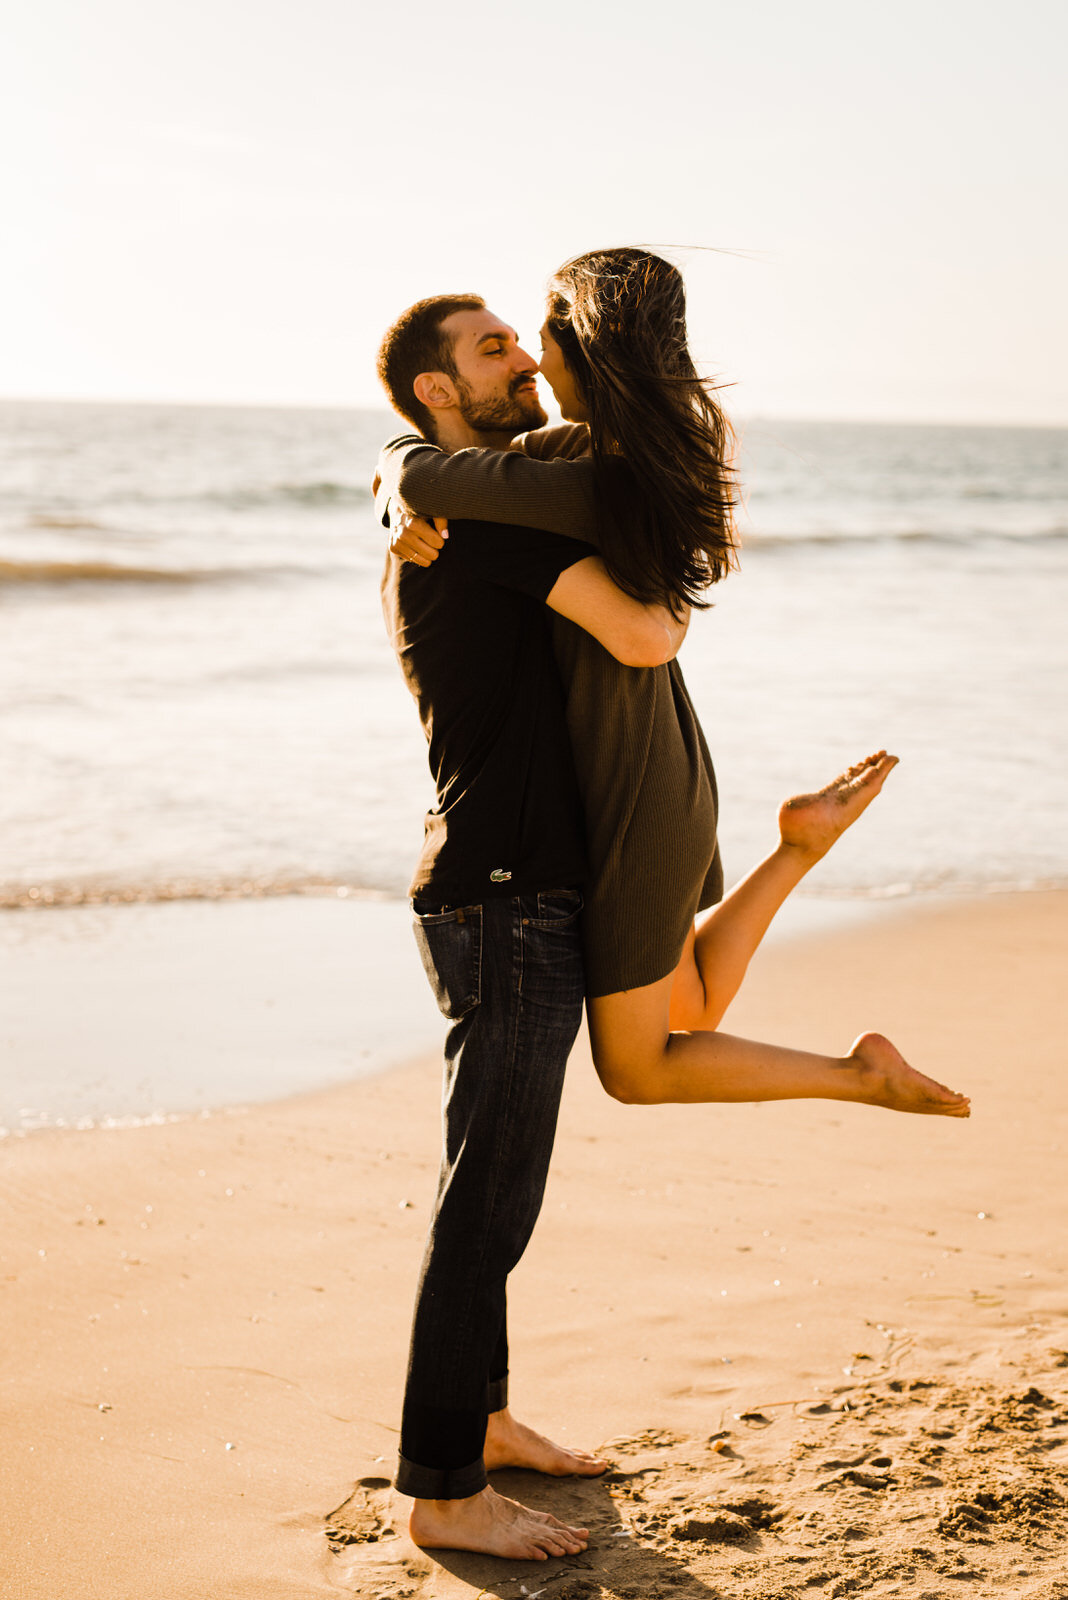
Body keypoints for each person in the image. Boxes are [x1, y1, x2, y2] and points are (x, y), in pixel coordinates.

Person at [378, 248, 972, 1121]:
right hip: (658, 760)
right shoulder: (612, 456)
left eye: (538, 340)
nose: (534, 360)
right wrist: (398, 483)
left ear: (591, 350)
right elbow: (440, 477)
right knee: (682, 1005)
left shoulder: (593, 475)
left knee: (641, 1065)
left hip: (636, 779)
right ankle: (801, 851)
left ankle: (859, 1076)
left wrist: (398, 477)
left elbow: (435, 476)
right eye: (505, 346)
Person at [375, 293, 691, 1561]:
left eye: (521, 335)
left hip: (499, 885)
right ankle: (441, 1488)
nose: (521, 356)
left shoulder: (461, 507)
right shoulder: (478, 525)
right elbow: (645, 628)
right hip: (503, 891)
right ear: (439, 392)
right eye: (493, 347)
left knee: (496, 1179)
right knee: (487, 1196)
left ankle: (486, 1418)